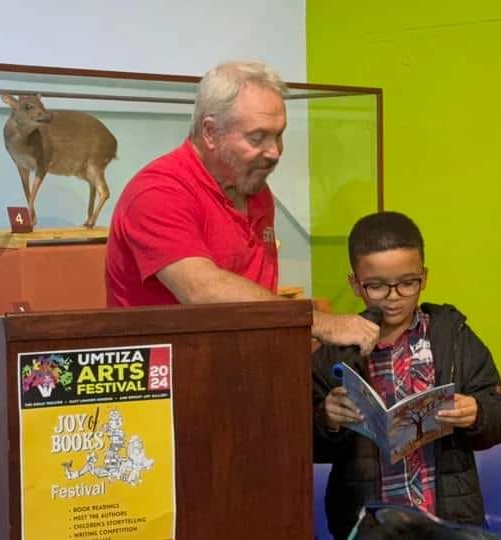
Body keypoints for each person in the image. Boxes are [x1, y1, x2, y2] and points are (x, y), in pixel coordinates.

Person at [104, 60, 378, 353]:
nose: (274, 152)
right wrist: (319, 323)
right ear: (210, 132)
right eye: (257, 137)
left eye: (279, 134)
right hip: (169, 379)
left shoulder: (256, 190)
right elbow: (202, 290)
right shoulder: (159, 191)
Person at [312, 211, 501, 538]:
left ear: (425, 276)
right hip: (369, 523)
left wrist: (477, 413)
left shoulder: (452, 335)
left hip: (444, 518)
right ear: (354, 283)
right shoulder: (337, 349)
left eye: (407, 283)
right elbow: (307, 443)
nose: (393, 297)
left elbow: (498, 417)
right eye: (376, 286)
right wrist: (327, 419)